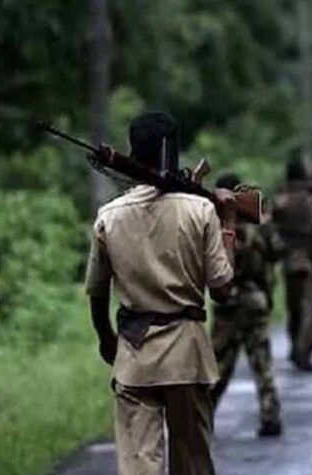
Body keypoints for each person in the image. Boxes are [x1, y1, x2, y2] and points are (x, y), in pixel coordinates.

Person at [84, 111, 237, 475]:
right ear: (173, 151)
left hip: (134, 355)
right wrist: (229, 221)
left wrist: (106, 337)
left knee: (139, 466)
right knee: (193, 463)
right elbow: (222, 289)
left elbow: (97, 291)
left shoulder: (109, 215)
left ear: (132, 151)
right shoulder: (201, 210)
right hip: (187, 356)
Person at [210, 173, 283, 437]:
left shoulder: (218, 225)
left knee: (217, 366)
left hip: (229, 301)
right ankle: (270, 414)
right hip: (255, 299)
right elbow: (276, 252)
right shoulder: (259, 225)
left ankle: (202, 420)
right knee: (262, 361)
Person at [272, 158, 312, 371]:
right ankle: (304, 350)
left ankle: (294, 346)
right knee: (309, 308)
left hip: (289, 259)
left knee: (294, 308)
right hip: (310, 259)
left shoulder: (281, 200)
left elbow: (273, 229)